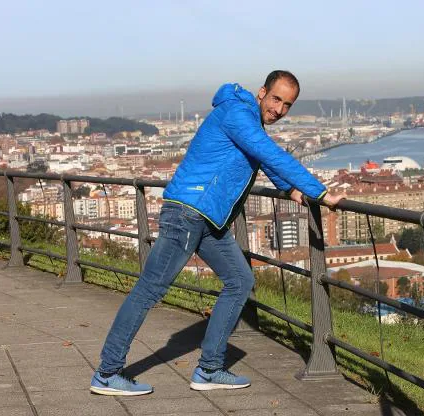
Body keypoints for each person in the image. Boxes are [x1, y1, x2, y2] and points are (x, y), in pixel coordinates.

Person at [90, 70, 345, 396]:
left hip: (208, 219)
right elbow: (269, 153)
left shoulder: (247, 119)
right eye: (277, 99)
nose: (280, 110)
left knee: (240, 281)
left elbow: (258, 156)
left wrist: (292, 190)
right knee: (148, 290)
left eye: (288, 105)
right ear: (262, 92)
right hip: (188, 213)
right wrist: (321, 193)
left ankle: (209, 369)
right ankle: (108, 372)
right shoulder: (237, 113)